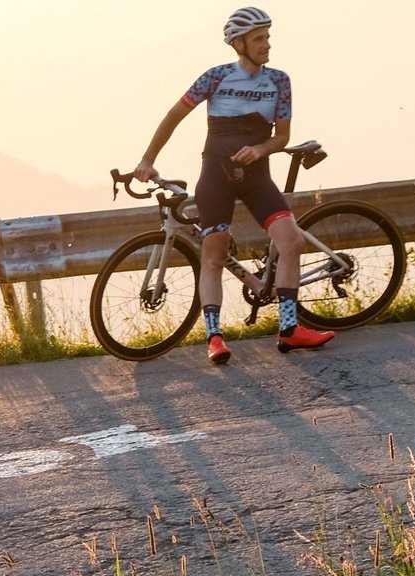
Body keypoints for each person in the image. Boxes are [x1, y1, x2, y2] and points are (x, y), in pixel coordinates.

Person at [131, 6, 334, 365]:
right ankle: (215, 338)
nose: (267, 44)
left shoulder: (280, 81)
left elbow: (282, 136)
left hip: (257, 178)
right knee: (213, 255)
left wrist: (260, 147)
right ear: (238, 43)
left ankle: (289, 331)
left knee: (292, 241)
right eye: (259, 38)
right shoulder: (215, 77)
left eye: (268, 37)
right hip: (215, 176)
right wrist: (147, 160)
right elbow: (173, 117)